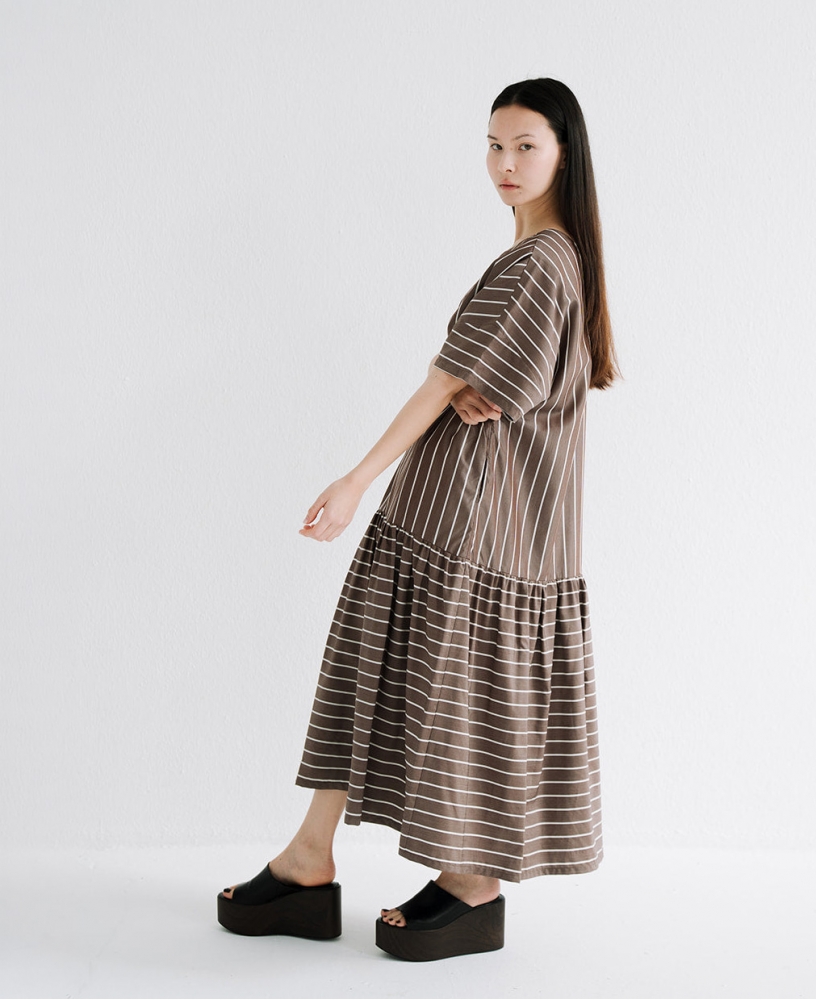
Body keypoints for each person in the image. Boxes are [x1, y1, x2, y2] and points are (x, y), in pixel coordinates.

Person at [217, 76, 622, 962]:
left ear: (565, 155)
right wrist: (463, 394)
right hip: (474, 516)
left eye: (526, 146)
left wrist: (356, 479)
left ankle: (462, 882)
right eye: (495, 145)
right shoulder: (553, 259)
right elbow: (469, 387)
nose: (505, 163)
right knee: (390, 669)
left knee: (430, 677)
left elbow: (448, 384)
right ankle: (314, 857)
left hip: (469, 519)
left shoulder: (541, 261)